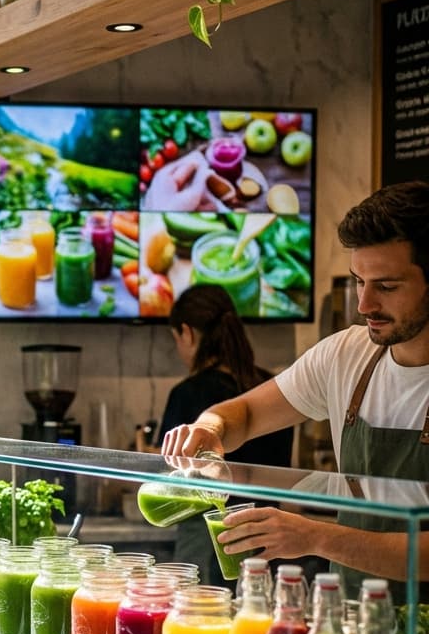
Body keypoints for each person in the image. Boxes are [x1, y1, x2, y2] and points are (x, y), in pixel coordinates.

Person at [162, 180, 429, 599]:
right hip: (352, 615)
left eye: (387, 287)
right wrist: (210, 428)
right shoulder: (345, 355)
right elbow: (245, 414)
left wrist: (316, 536)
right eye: (360, 281)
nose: (364, 305)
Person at [143, 285, 293, 583]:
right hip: (268, 533)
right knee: (255, 616)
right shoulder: (272, 391)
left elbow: (170, 471)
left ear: (186, 333)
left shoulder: (187, 393)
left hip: (206, 539)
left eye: (176, 340)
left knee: (203, 619)